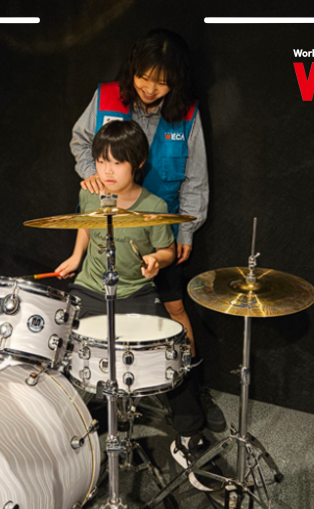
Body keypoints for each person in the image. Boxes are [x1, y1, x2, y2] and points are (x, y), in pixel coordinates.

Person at [69, 28, 225, 434]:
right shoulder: (105, 97)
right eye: (144, 77)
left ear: (176, 81)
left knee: (174, 312)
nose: (150, 88)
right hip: (109, 225)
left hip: (159, 231)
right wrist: (91, 175)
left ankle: (190, 386)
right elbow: (80, 141)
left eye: (162, 81)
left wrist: (187, 231)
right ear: (132, 69)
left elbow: (196, 177)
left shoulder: (187, 113)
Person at [56, 119, 222, 491]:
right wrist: (76, 257)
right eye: (101, 161)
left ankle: (188, 438)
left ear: (138, 163)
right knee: (56, 345)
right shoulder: (90, 192)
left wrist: (156, 261)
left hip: (136, 293)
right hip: (91, 288)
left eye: (117, 162)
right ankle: (57, 433)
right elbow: (85, 224)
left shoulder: (154, 206)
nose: (107, 170)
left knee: (169, 353)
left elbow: (167, 250)